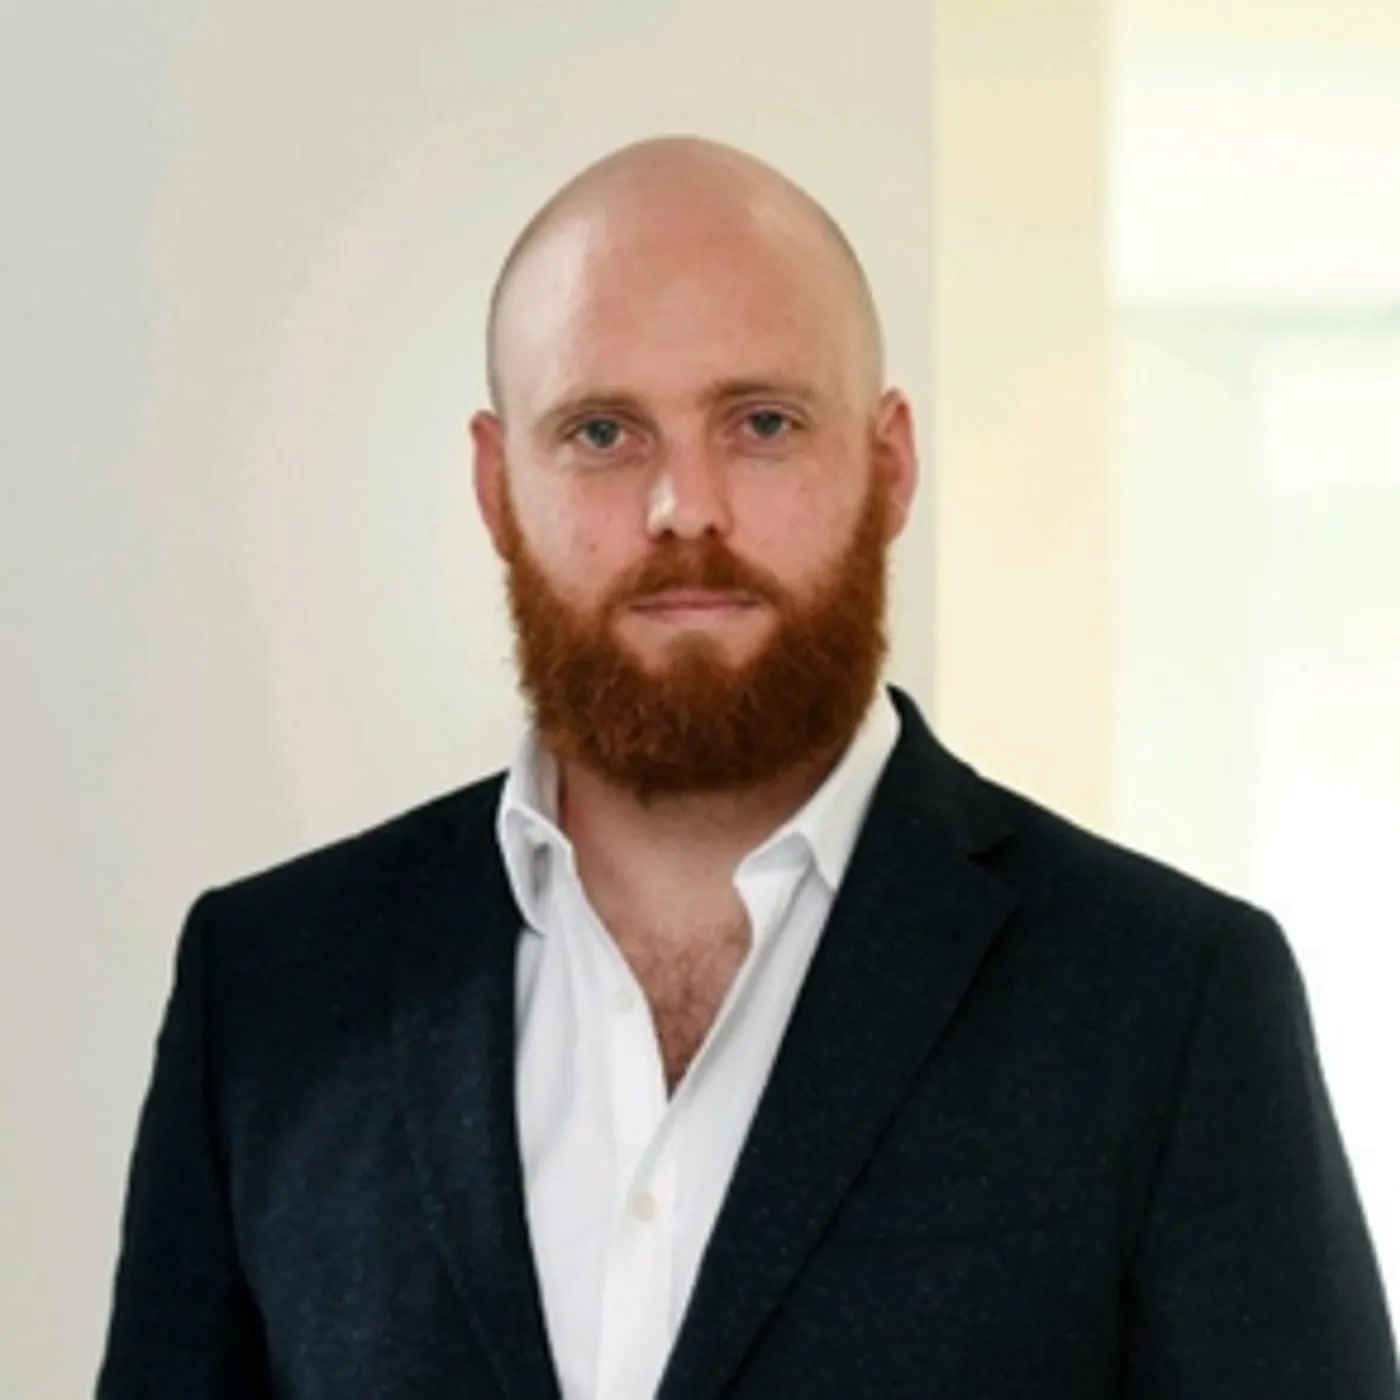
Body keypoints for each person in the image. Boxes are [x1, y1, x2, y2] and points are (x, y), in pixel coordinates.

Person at [98, 136, 1398, 1399]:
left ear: (888, 466)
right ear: (496, 488)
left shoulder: (1168, 1001)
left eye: (762, 422)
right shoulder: (271, 995)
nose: (687, 508)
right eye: (602, 432)